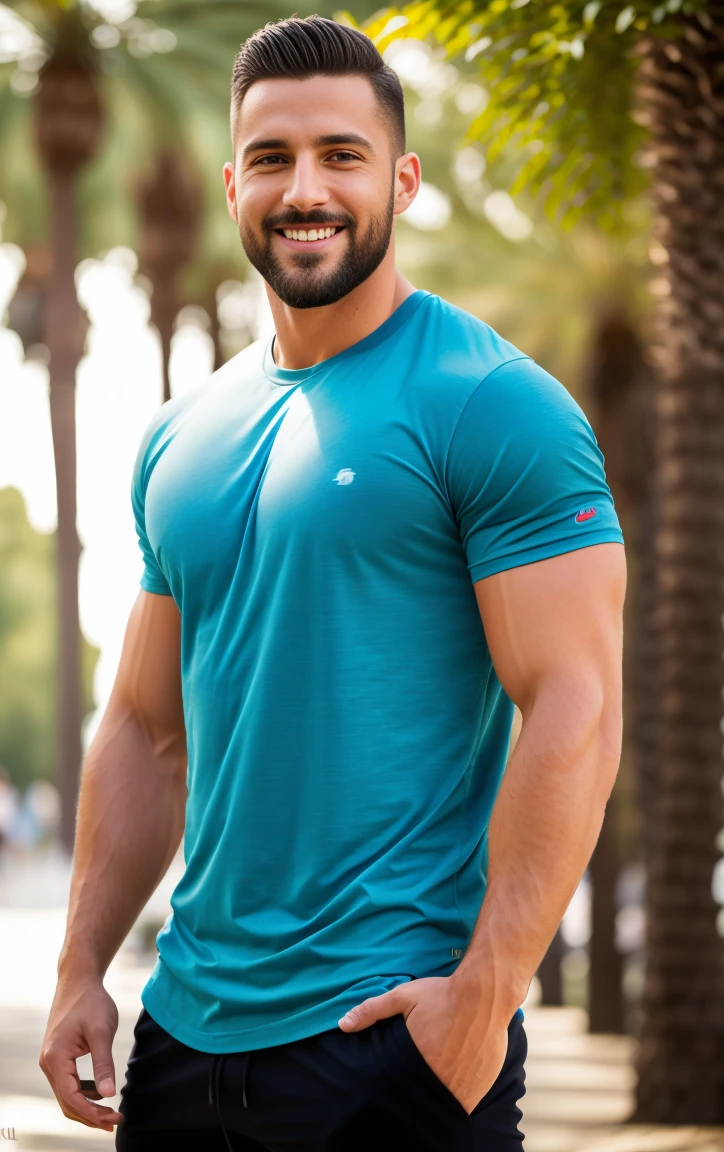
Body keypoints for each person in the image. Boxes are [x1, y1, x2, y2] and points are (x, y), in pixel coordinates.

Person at [39, 16, 626, 1151]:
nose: (304, 188)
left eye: (340, 156)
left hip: (388, 1046)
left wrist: (484, 1001)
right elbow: (147, 729)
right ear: (231, 185)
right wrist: (80, 971)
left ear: (401, 180)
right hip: (182, 1050)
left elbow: (577, 705)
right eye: (272, 158)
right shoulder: (180, 438)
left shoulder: (491, 403)